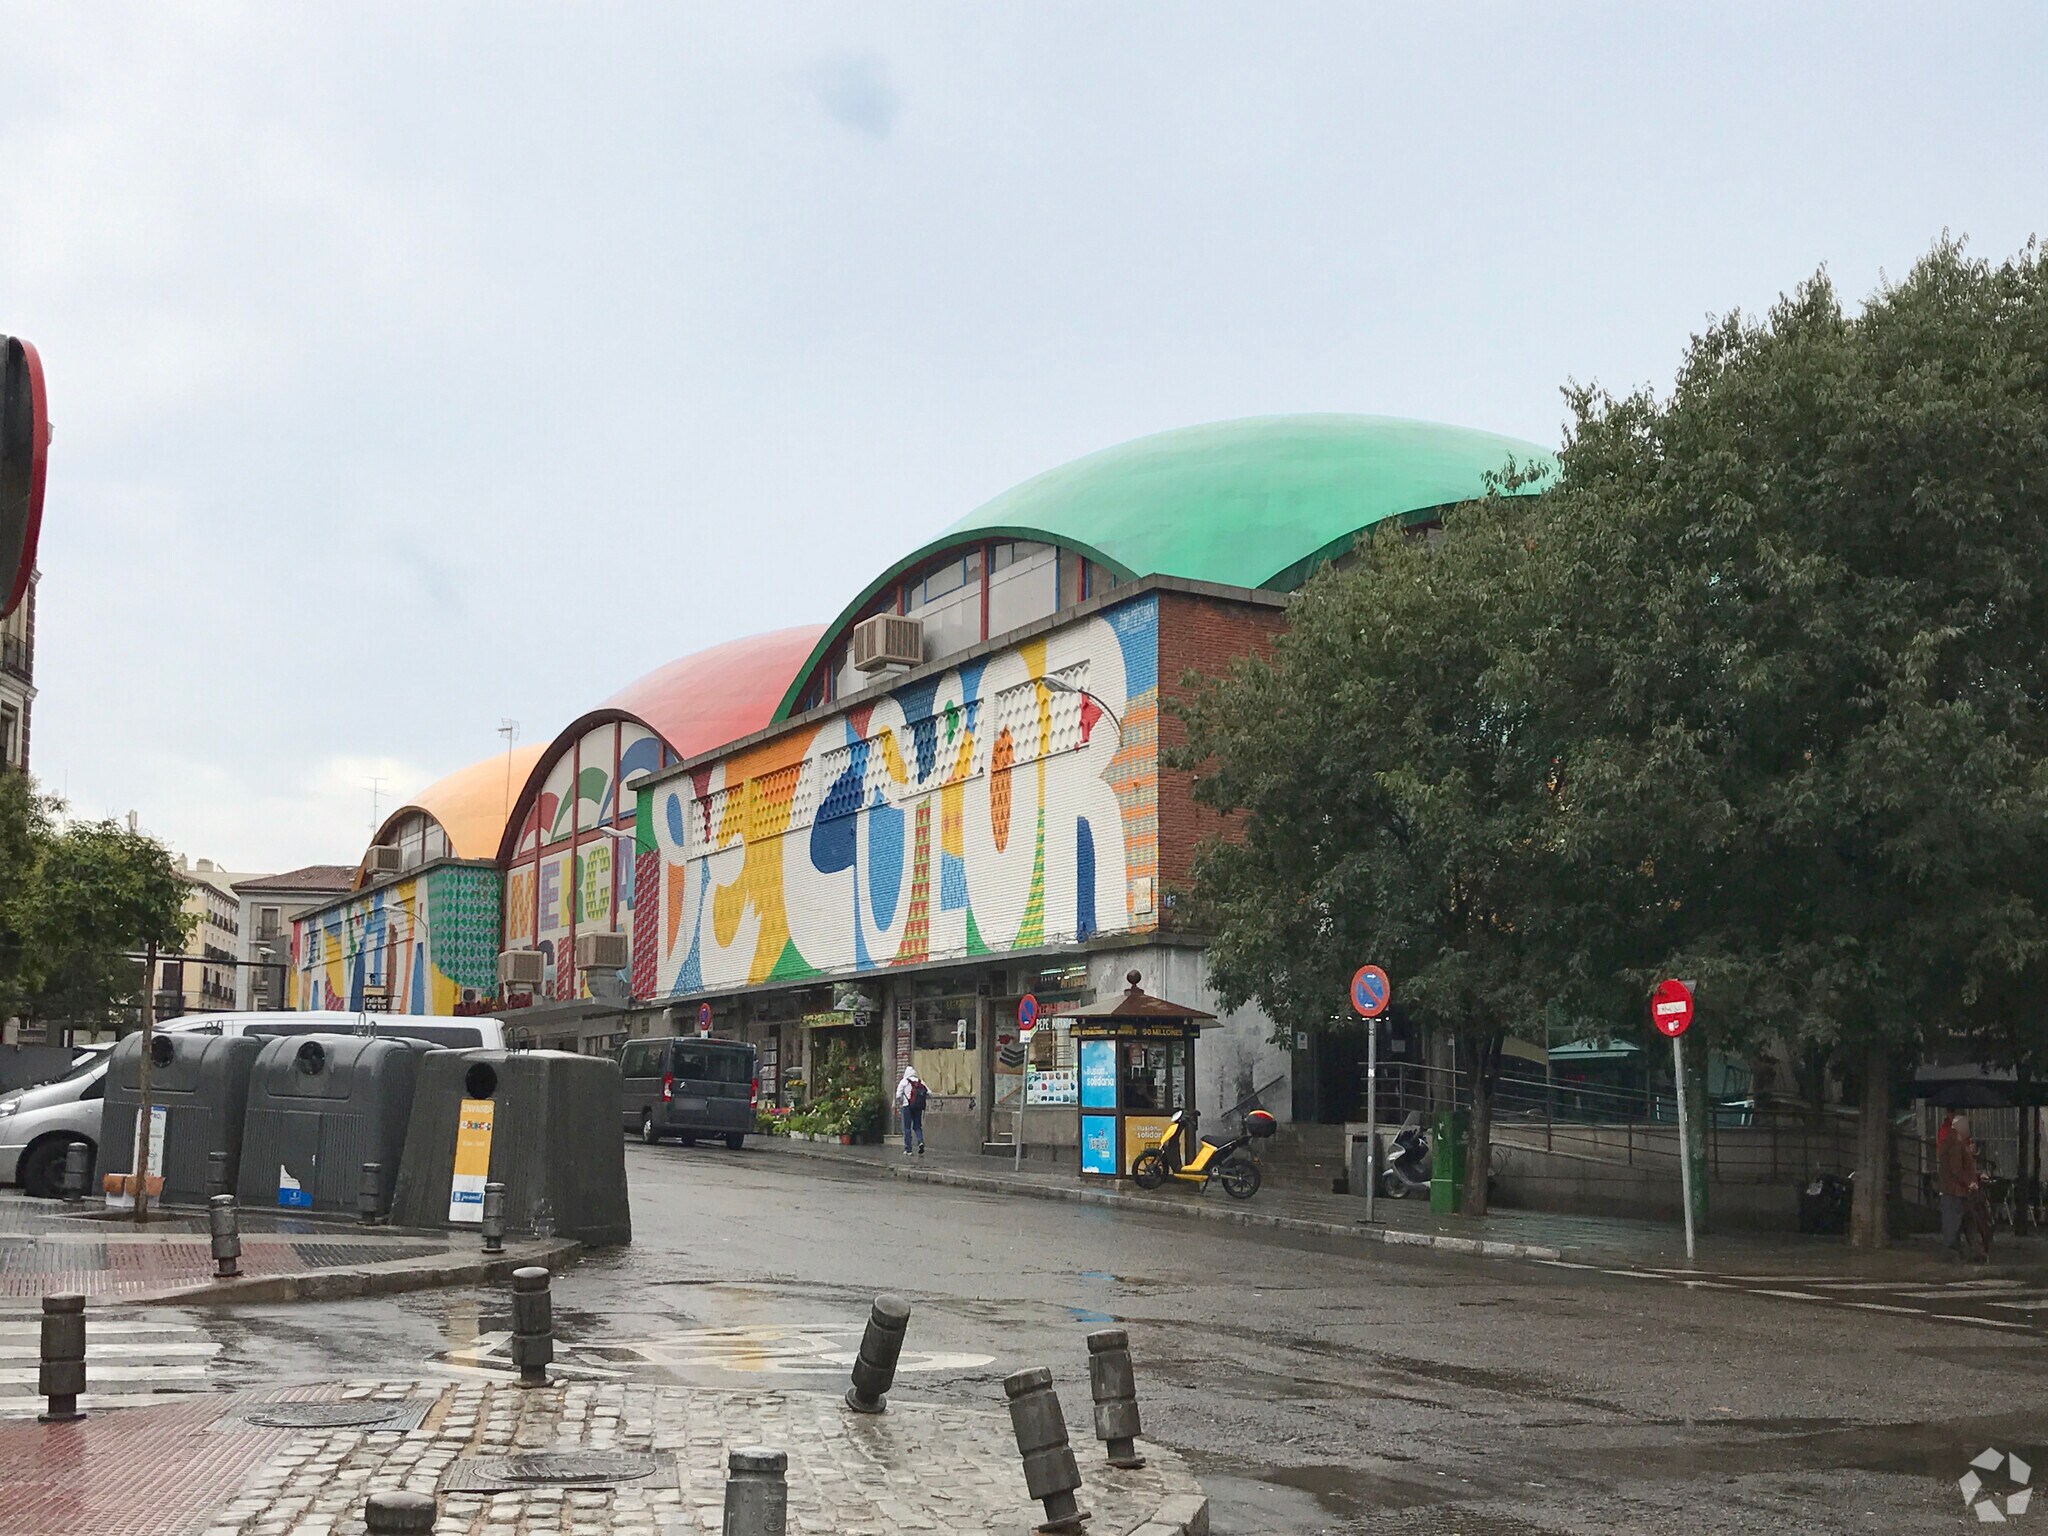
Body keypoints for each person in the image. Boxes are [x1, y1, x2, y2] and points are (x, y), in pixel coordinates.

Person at [1938, 1110, 1980, 1259]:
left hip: (1957, 1191)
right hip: (1955, 1191)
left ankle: (1974, 1252)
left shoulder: (1954, 1141)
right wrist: (1970, 1182)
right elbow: (1956, 1168)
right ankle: (1957, 1254)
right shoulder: (1955, 1142)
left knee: (1965, 1222)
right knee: (1956, 1224)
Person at [895, 1065, 928, 1156]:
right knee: (917, 1126)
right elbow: (929, 1092)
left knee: (907, 1128)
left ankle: (908, 1149)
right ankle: (920, 1141)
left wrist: (902, 1101)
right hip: (917, 1107)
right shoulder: (920, 1082)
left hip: (907, 1107)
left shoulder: (904, 1082)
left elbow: (898, 1095)